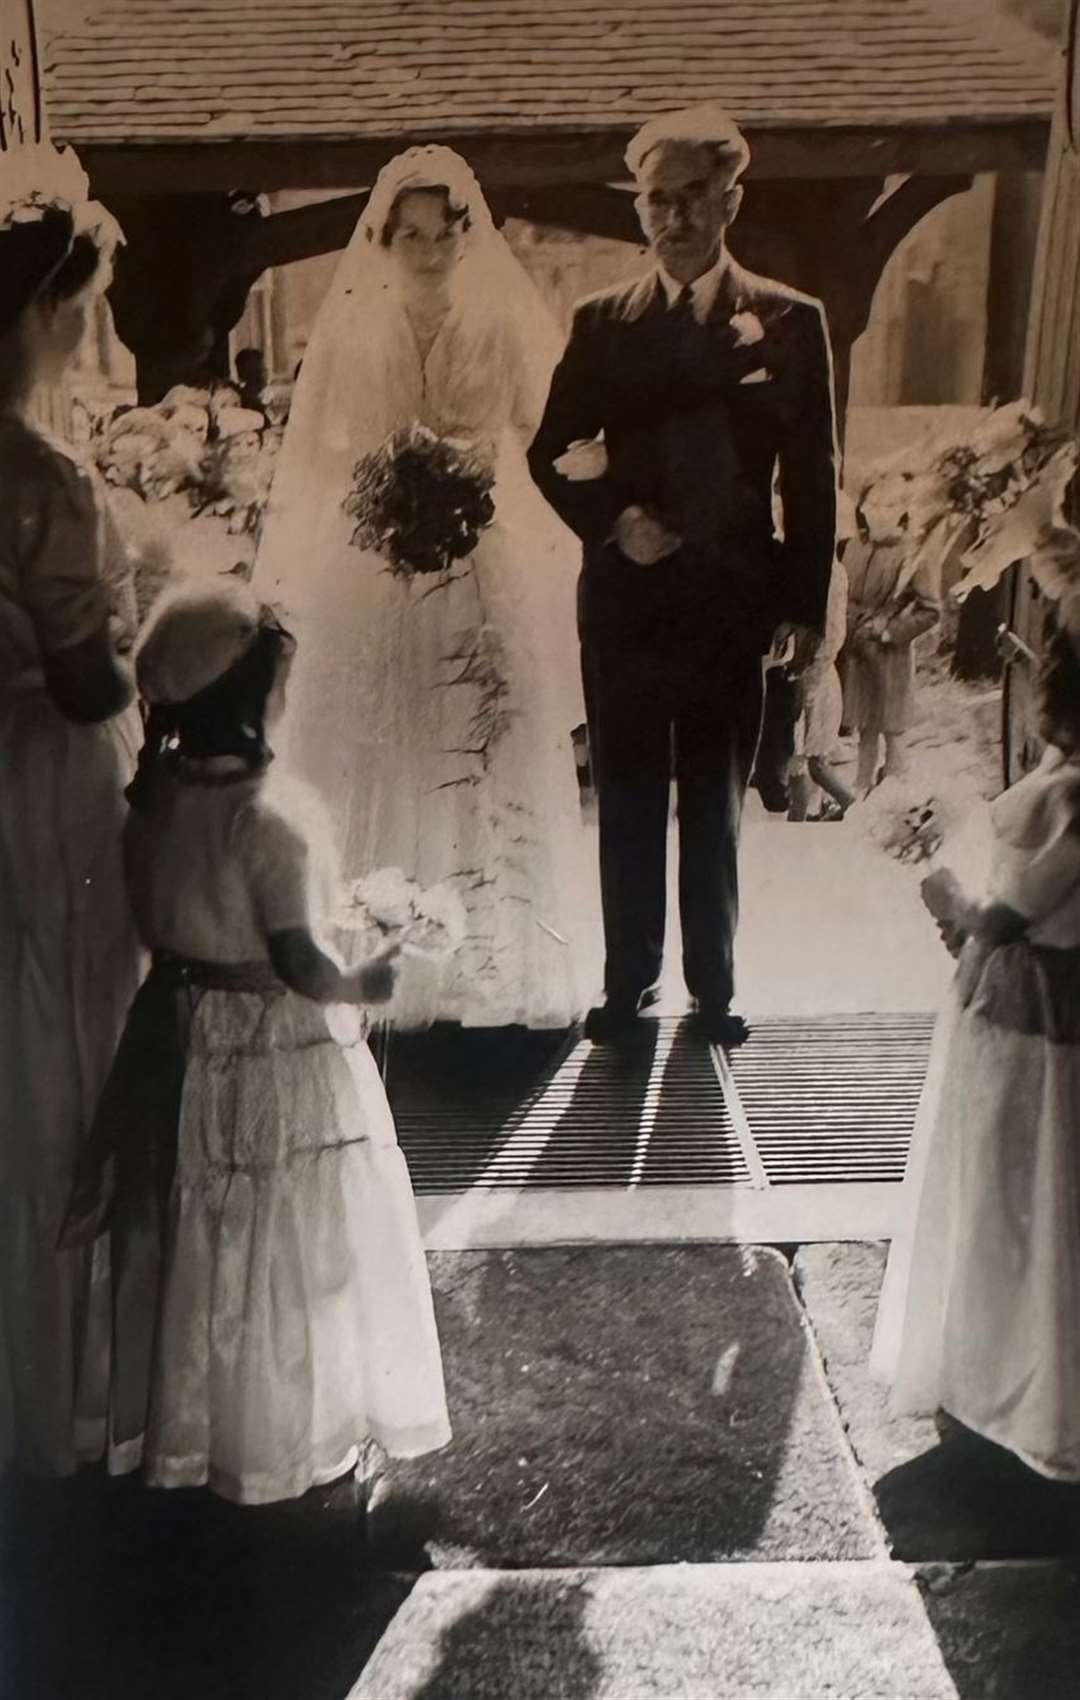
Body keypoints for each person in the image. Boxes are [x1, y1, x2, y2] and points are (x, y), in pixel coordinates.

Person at [61, 580, 451, 1504]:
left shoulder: (149, 808)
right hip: (269, 1050)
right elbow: (297, 962)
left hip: (174, 1036)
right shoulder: (270, 820)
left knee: (193, 1225)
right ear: (253, 700)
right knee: (285, 1233)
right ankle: (276, 1431)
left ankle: (183, 1427)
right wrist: (365, 980)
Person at [252, 146, 589, 1032]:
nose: (428, 251)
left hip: (483, 556)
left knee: (476, 736)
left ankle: (489, 969)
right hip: (376, 560)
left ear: (467, 235)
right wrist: (388, 483)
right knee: (385, 737)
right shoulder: (356, 325)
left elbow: (545, 430)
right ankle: (379, 964)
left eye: (444, 234)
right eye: (411, 235)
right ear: (385, 238)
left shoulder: (502, 320)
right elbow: (324, 450)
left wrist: (472, 473)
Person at [528, 104, 838, 1045]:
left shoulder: (788, 321)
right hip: (626, 600)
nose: (674, 219)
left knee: (715, 797)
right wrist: (617, 521)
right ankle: (628, 988)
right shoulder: (600, 321)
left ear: (731, 199)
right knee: (623, 794)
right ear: (639, 211)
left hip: (732, 598)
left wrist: (804, 605)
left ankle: (715, 989)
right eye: (656, 201)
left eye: (694, 197)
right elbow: (547, 452)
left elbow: (815, 472)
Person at [0, 144, 142, 1478]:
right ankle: (59, 1389)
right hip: (38, 781)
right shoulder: (46, 479)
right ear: (47, 309)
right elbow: (89, 676)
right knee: (56, 1064)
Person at [870, 606, 1080, 1481]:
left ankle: (1020, 1382)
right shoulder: (1060, 774)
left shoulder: (1070, 792)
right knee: (1025, 1188)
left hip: (1032, 1012)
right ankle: (1004, 1369)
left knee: (1019, 1184)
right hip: (1021, 994)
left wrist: (944, 893)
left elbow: (1007, 910)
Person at [841, 523, 941, 796]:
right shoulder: (854, 545)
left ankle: (894, 795)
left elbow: (931, 611)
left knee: (893, 730)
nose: (879, 513)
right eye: (874, 504)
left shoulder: (914, 553)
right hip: (858, 651)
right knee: (864, 729)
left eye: (889, 506)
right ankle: (860, 791)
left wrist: (888, 632)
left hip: (890, 655)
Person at [786, 558, 855, 822]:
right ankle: (812, 813)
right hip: (802, 671)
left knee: (805, 761)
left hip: (814, 675)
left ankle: (800, 821)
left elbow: (834, 634)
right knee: (806, 760)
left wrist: (810, 678)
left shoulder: (830, 572)